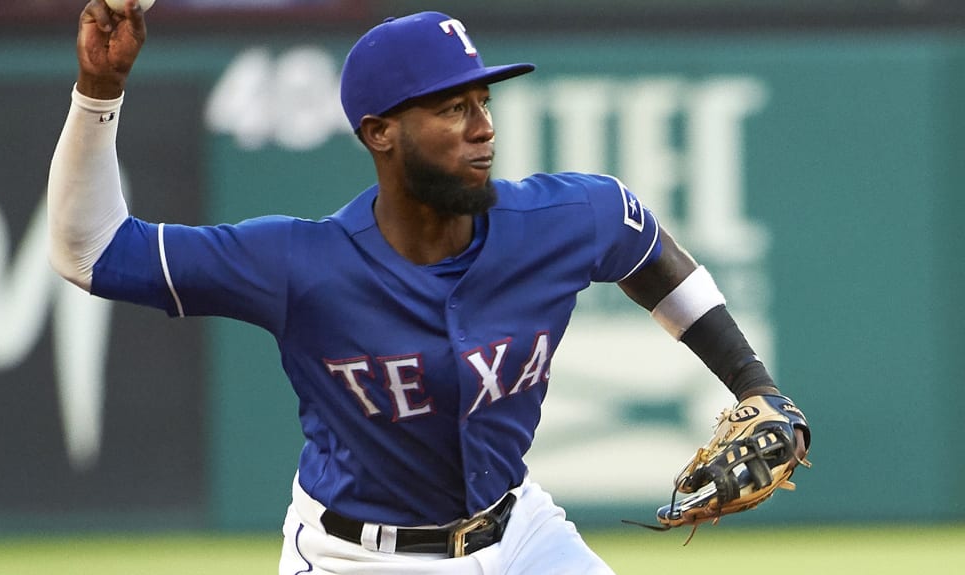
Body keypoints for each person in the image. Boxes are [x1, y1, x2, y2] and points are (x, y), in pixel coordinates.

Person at [49, 2, 809, 574]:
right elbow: (92, 251)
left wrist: (757, 386)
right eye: (452, 108)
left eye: (482, 103)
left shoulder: (562, 218)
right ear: (380, 132)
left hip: (519, 533)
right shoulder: (300, 262)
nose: (482, 127)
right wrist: (98, 90)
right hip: (361, 556)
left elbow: (649, 253)